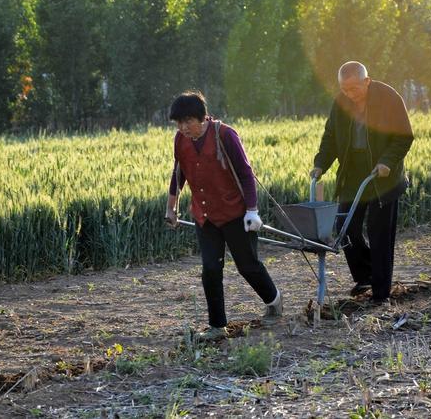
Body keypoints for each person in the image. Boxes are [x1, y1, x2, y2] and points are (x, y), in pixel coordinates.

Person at [165, 91, 283, 341]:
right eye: (179, 123)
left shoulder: (225, 135)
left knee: (247, 266)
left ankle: (274, 301)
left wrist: (252, 211)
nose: (184, 128)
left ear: (202, 117)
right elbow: (178, 173)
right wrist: (171, 207)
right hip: (204, 215)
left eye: (188, 121)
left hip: (234, 213)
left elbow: (245, 173)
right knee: (210, 268)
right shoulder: (180, 140)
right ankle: (217, 326)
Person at [310, 61, 413, 304]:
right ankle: (365, 275)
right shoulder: (341, 103)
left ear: (367, 81)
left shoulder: (389, 98)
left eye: (354, 89)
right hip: (352, 171)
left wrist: (387, 161)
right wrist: (320, 163)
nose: (349, 94)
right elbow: (331, 137)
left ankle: (380, 291)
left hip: (383, 175)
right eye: (344, 89)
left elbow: (403, 137)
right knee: (345, 227)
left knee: (379, 234)